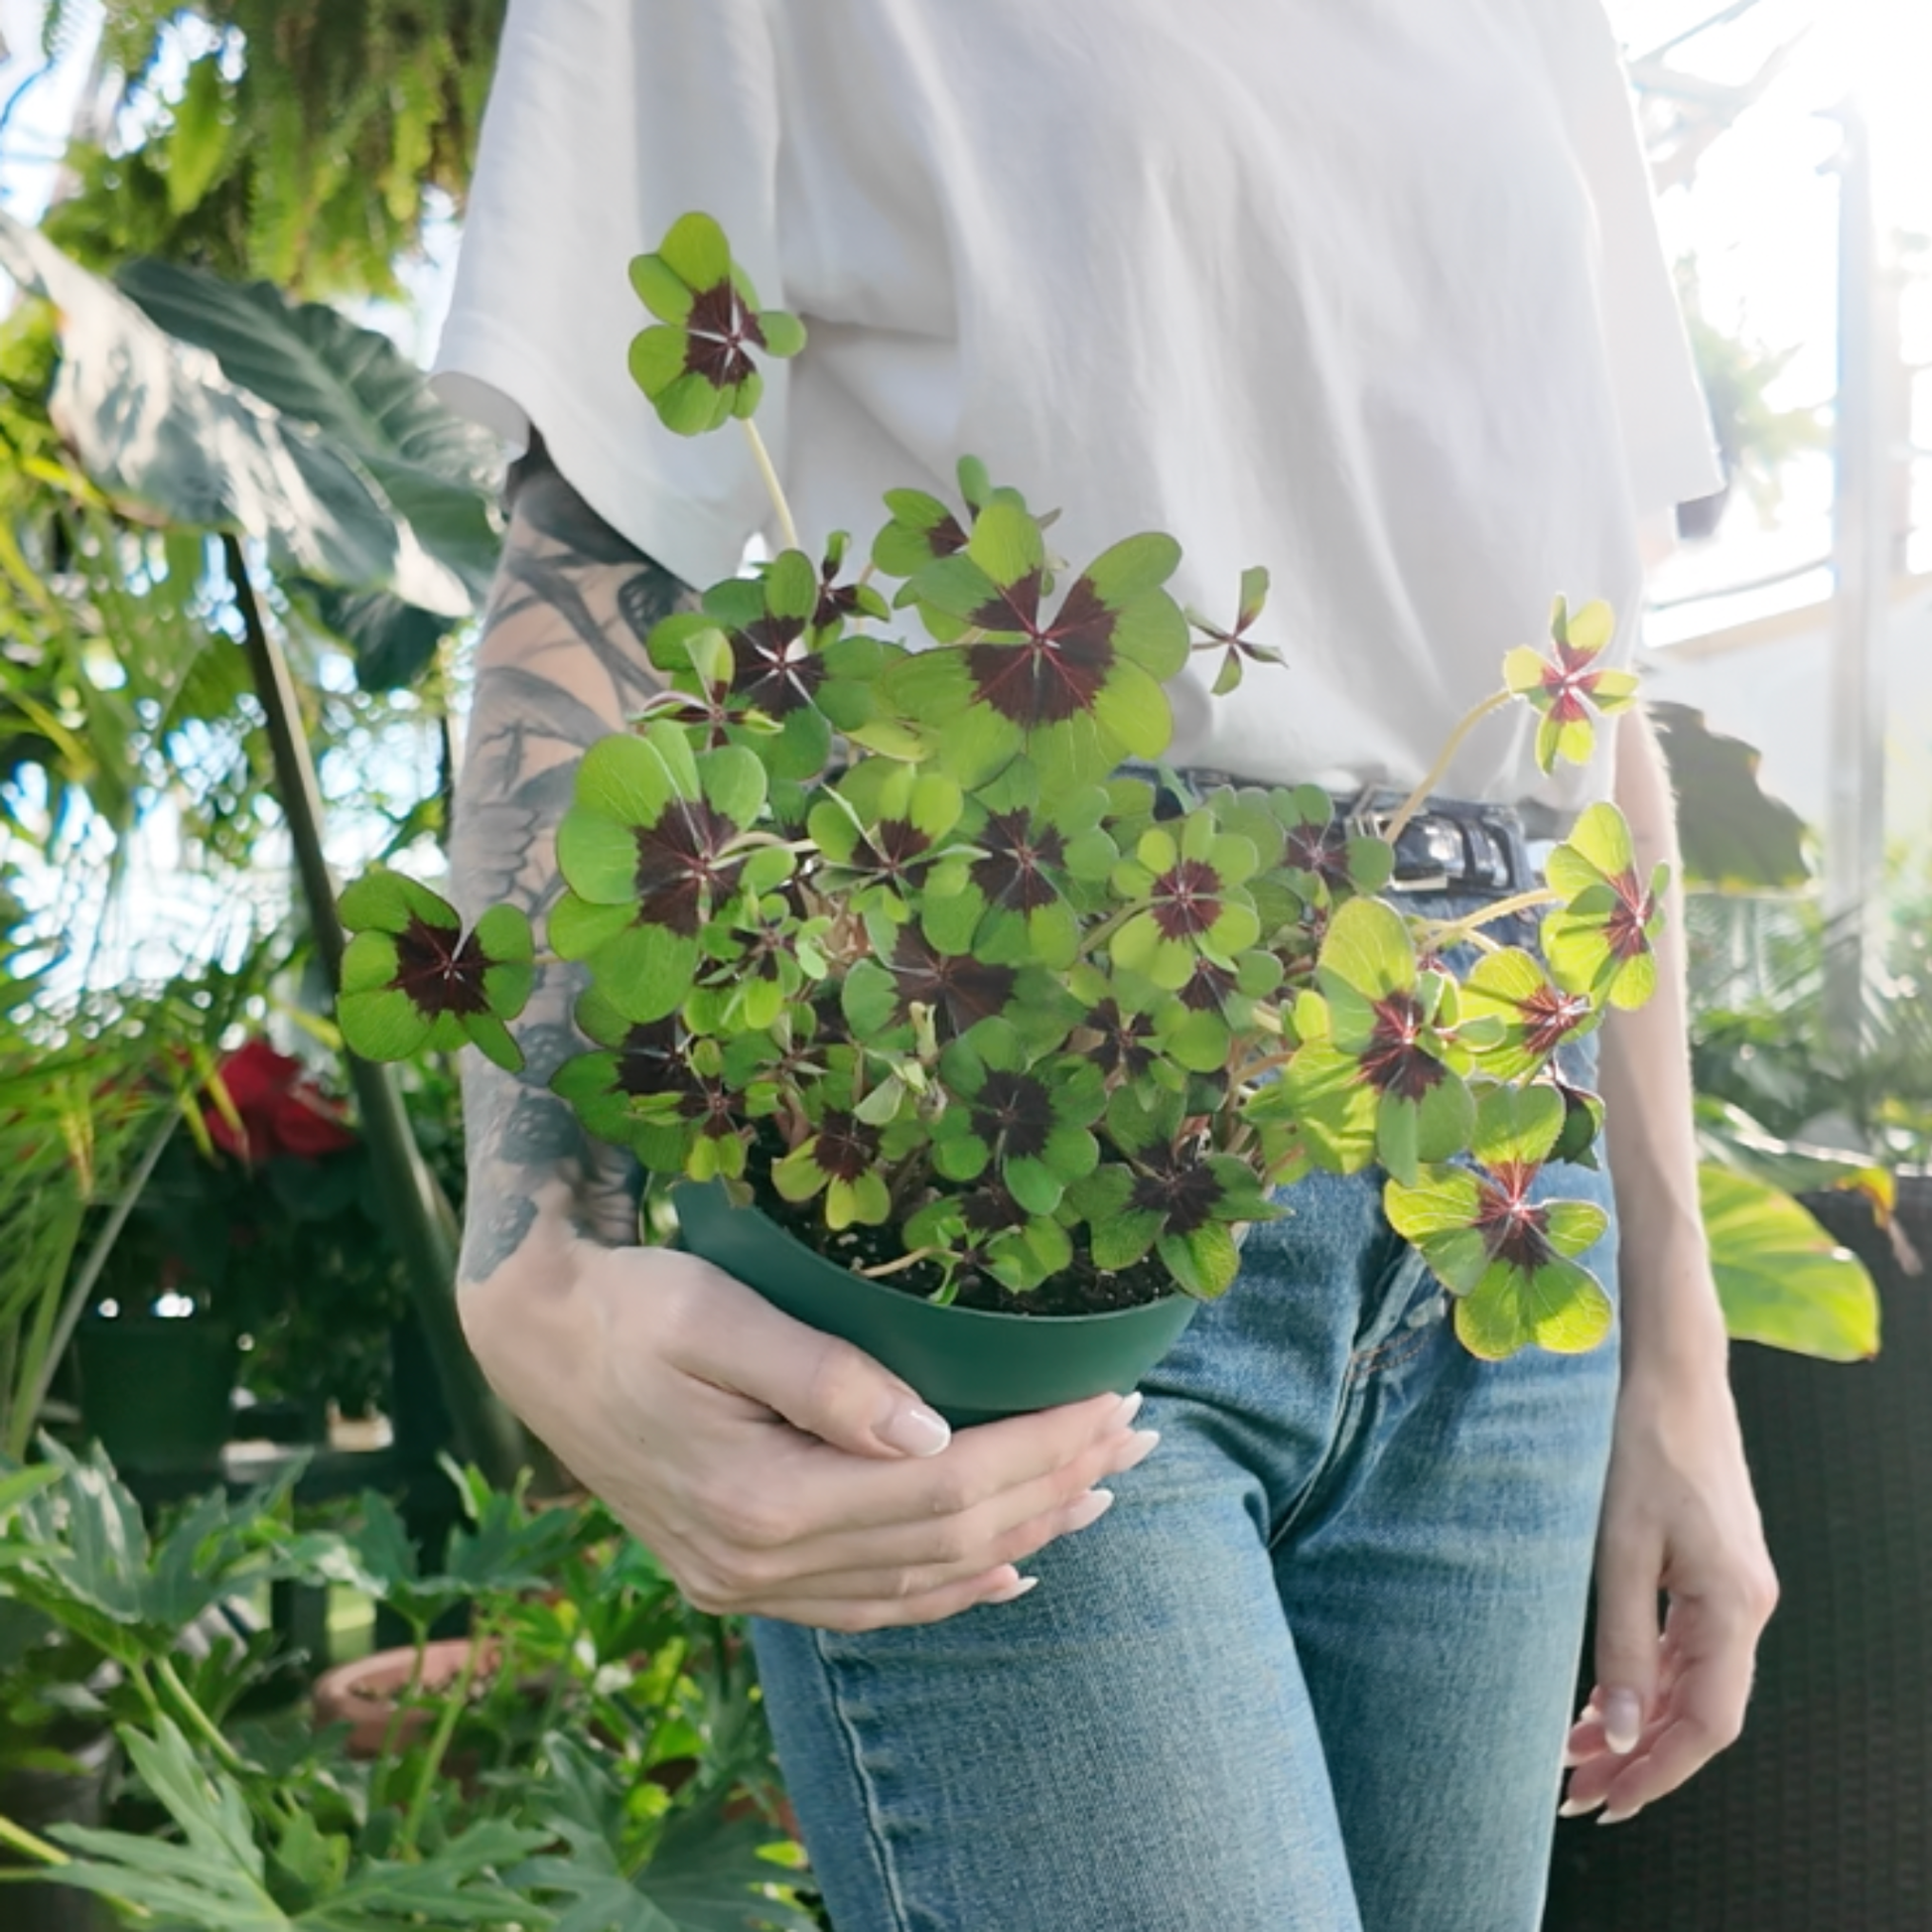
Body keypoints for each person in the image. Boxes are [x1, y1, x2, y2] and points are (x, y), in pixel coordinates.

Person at [431, 3, 1779, 1926]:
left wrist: (1675, 1351)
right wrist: (531, 1244)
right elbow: (598, 564)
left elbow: (1593, 698)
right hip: (1013, 1141)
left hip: (1487, 1207)